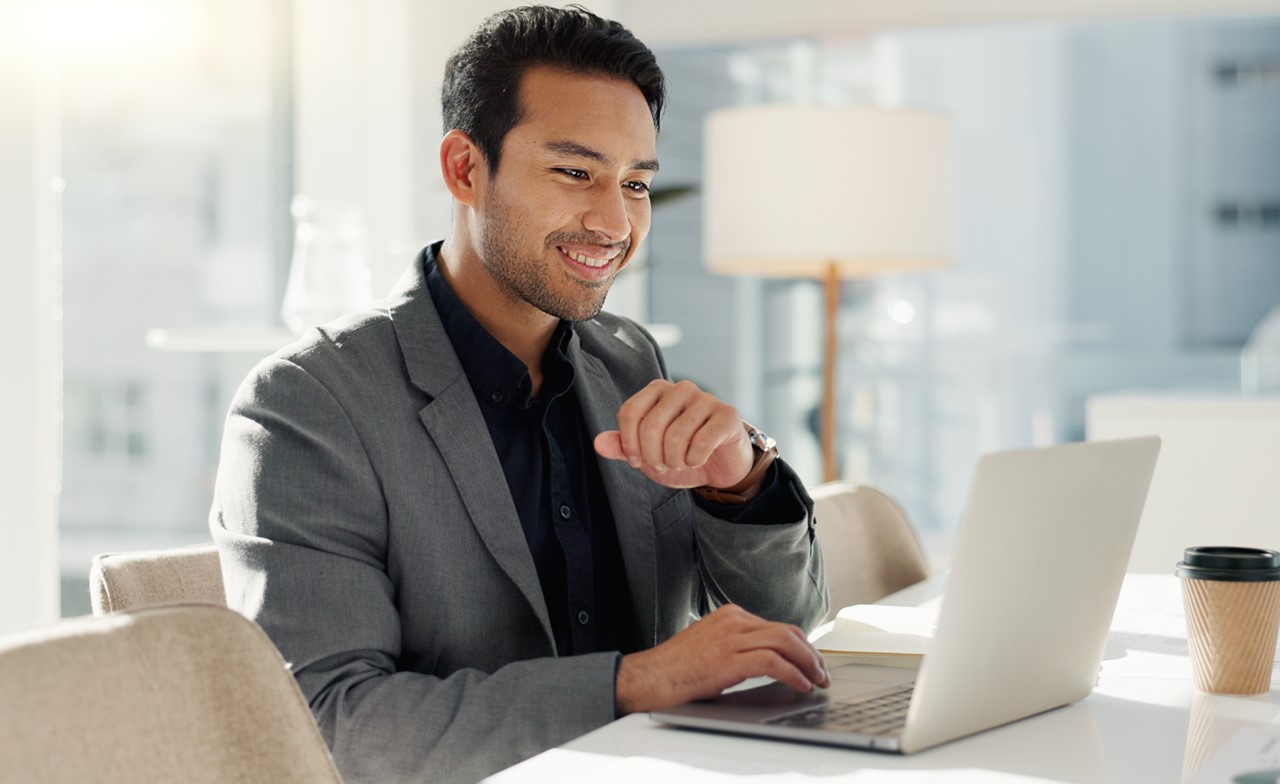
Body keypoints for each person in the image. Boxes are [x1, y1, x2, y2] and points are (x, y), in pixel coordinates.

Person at [210, 6, 828, 783]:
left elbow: (789, 633)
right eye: (576, 172)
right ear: (465, 169)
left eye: (635, 183)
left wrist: (743, 483)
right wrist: (635, 683)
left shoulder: (630, 358)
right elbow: (332, 724)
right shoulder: (305, 405)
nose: (614, 221)